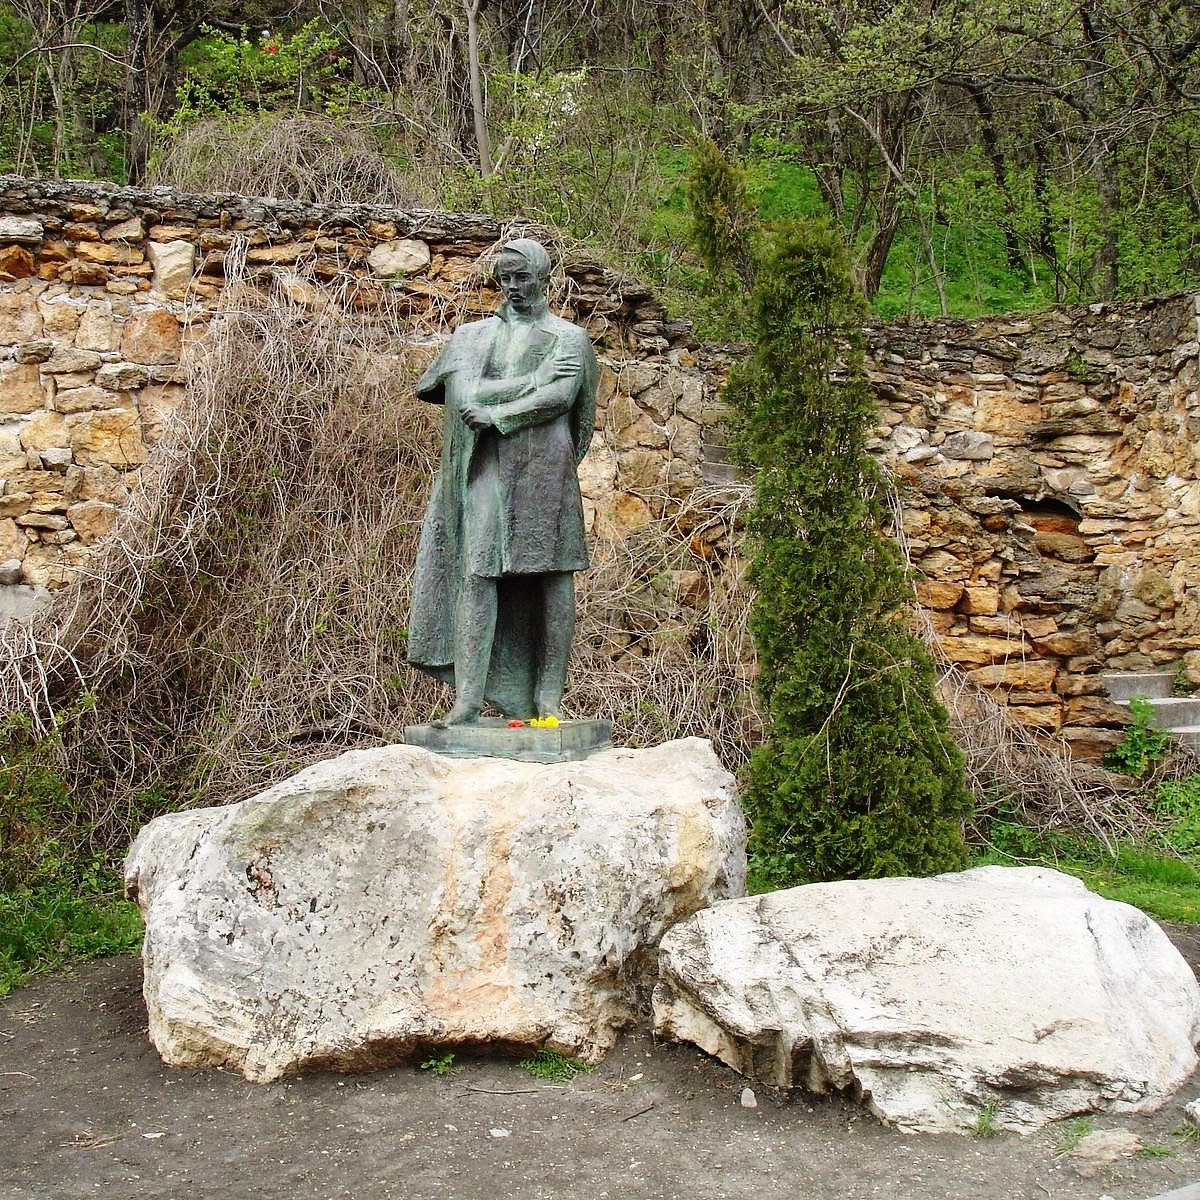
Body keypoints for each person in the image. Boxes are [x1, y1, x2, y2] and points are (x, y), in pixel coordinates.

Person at [407, 238, 597, 727]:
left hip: (546, 468)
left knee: (555, 575)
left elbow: (564, 398)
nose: (512, 287)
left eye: (522, 277)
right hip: (486, 467)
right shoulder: (470, 337)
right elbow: (460, 392)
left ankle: (548, 697)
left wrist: (497, 411)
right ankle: (468, 700)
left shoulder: (569, 338)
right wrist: (526, 385)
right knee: (479, 569)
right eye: (505, 278)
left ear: (544, 277)